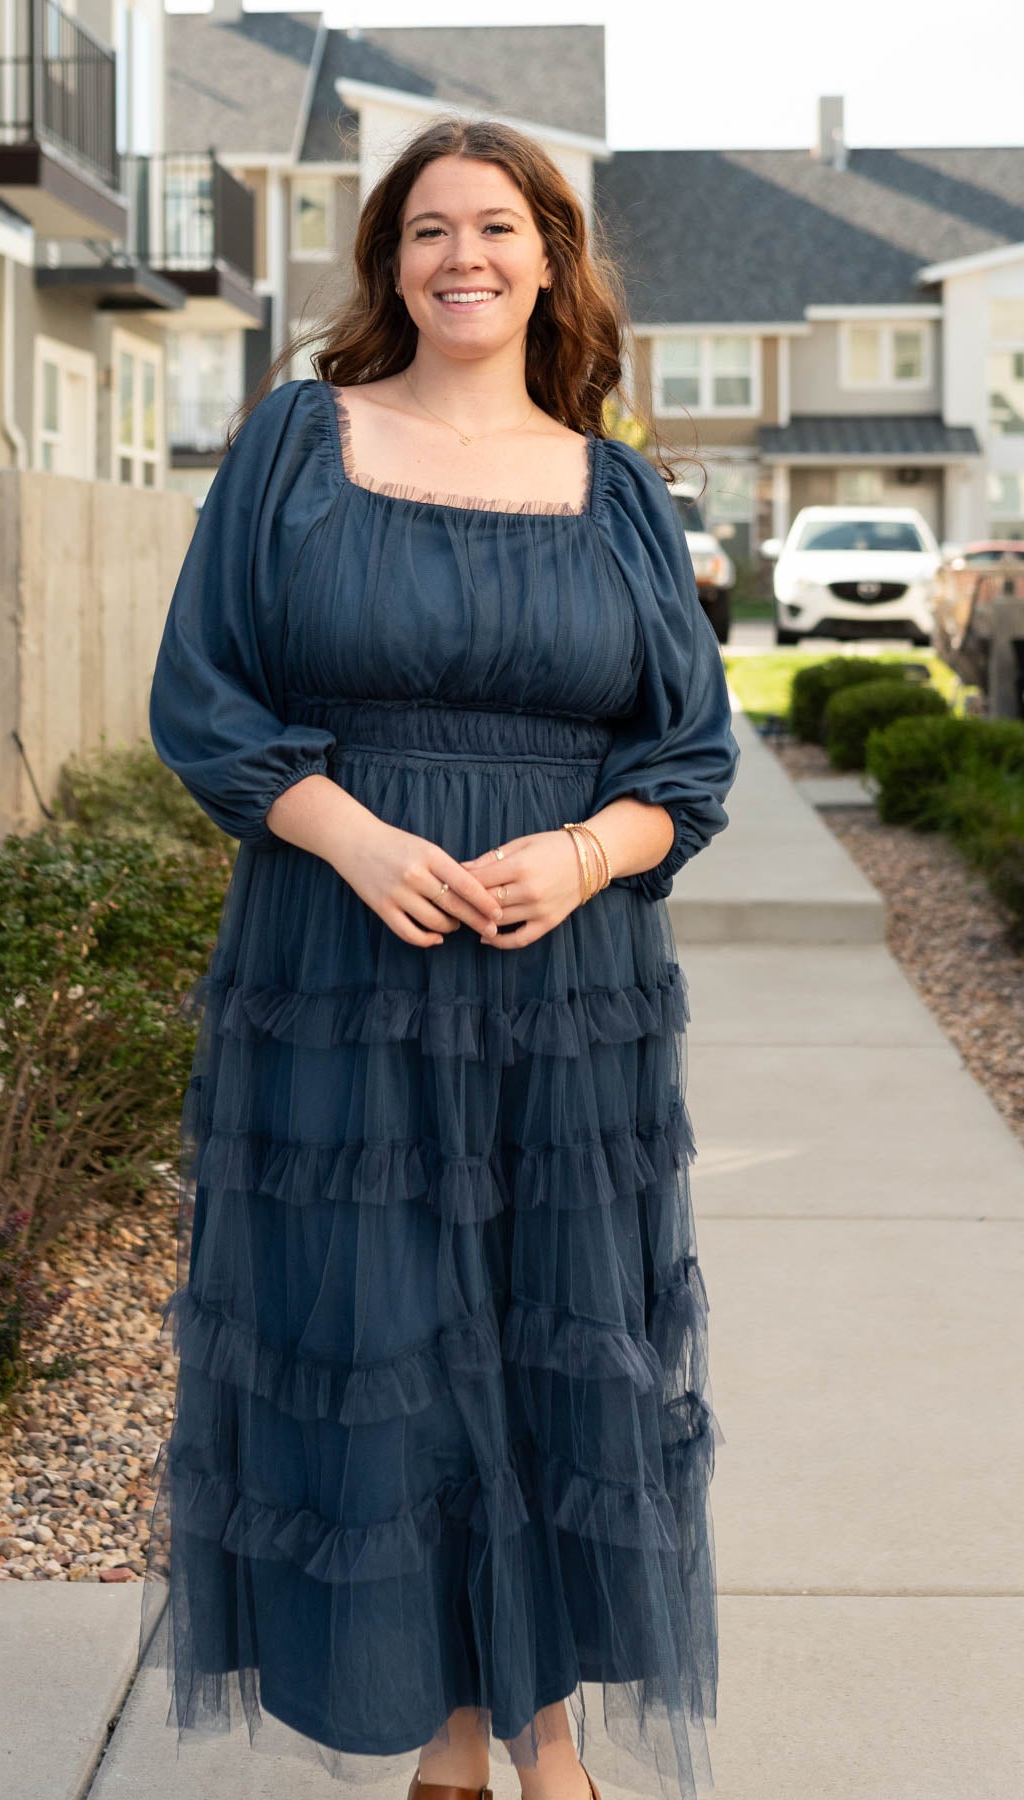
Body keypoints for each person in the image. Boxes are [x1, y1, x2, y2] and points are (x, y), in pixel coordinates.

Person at [137, 116, 740, 1800]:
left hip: (568, 986)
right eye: (424, 230)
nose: (459, 256)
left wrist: (574, 853)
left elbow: (684, 762)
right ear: (386, 262)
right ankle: (449, 1742)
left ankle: (540, 1745)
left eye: (493, 226)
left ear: (550, 257)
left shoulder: (617, 489)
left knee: (559, 1349)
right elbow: (205, 694)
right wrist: (347, 833)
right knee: (385, 1346)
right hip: (338, 960)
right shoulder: (295, 443)